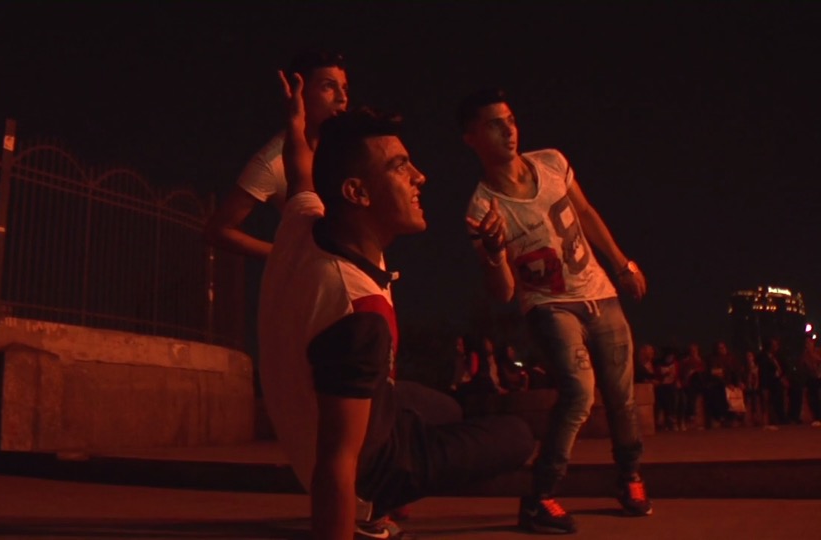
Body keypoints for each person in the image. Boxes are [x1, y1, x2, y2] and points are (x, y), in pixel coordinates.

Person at [258, 74, 535, 540]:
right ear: (357, 193)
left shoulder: (305, 219)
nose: (420, 177)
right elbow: (338, 461)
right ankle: (372, 515)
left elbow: (300, 167)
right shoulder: (359, 313)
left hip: (311, 412)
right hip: (369, 471)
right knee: (517, 435)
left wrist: (297, 124)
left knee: (443, 408)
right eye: (400, 167)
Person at [458, 87, 652, 533]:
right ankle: (540, 495)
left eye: (510, 120)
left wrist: (622, 264)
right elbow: (503, 292)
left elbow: (585, 212)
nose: (509, 130)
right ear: (471, 138)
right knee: (579, 391)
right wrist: (494, 252)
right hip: (549, 305)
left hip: (599, 293)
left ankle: (630, 476)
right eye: (494, 125)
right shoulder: (482, 207)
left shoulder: (551, 162)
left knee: (621, 396)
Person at [204, 48, 349, 258]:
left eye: (344, 88)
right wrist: (287, 256)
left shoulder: (349, 147)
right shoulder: (274, 159)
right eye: (328, 86)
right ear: (299, 91)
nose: (342, 98)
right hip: (319, 276)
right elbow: (217, 230)